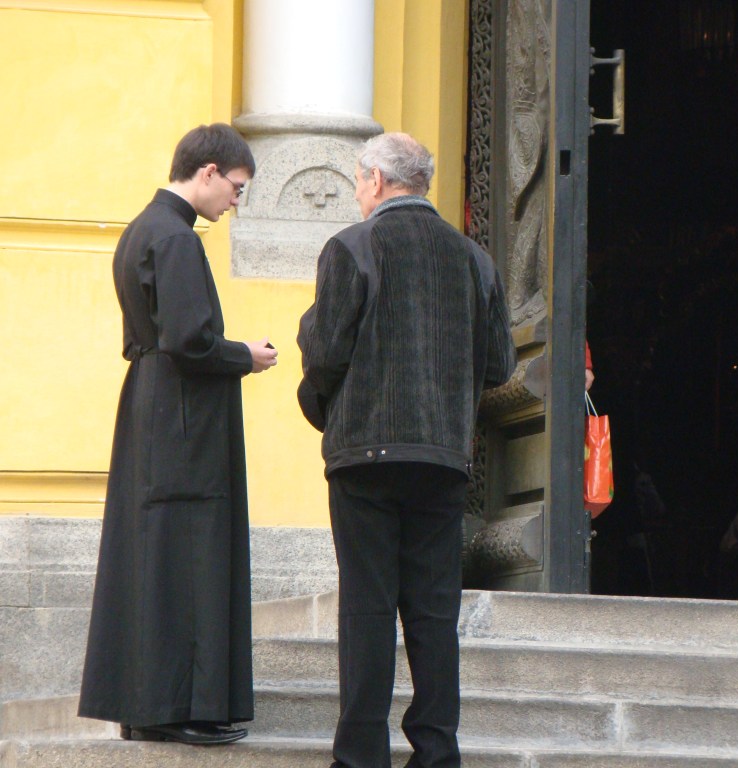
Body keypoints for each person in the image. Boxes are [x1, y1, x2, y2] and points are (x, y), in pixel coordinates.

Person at [296, 132, 516, 768]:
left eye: (358, 181)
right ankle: (437, 751)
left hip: (364, 454)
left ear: (373, 181)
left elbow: (327, 350)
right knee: (432, 611)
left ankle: (362, 753)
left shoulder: (351, 247)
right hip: (443, 457)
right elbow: (501, 364)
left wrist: (316, 397)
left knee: (366, 606)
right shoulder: (474, 259)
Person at [78, 123, 278, 745]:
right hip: (185, 416)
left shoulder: (143, 228)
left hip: (152, 406)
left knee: (152, 554)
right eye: (237, 188)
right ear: (210, 171)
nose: (236, 203)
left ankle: (145, 707)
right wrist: (245, 354)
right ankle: (180, 709)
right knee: (188, 553)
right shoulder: (177, 238)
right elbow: (191, 341)